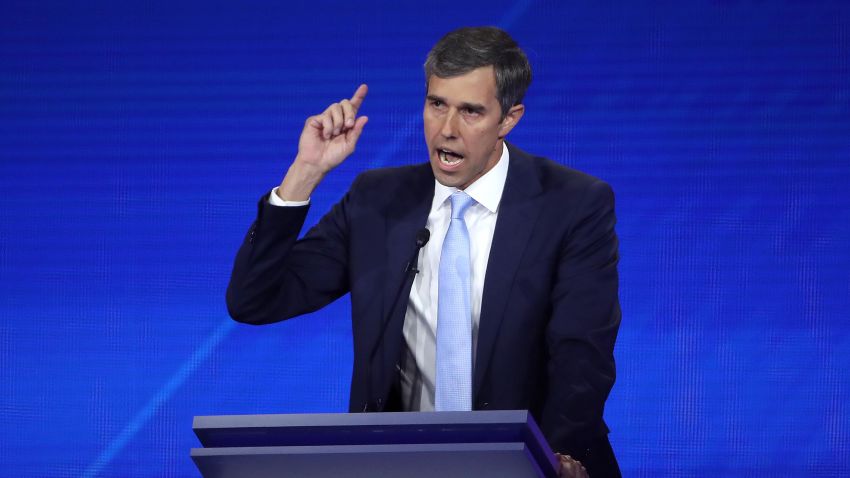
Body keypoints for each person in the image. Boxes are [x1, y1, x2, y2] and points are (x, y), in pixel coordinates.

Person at [227, 26, 621, 477]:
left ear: (508, 119)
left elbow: (582, 353)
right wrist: (305, 173)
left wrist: (554, 456)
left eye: (471, 111)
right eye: (437, 105)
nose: (447, 130)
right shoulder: (379, 199)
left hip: (532, 463)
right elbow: (255, 300)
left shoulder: (571, 204)